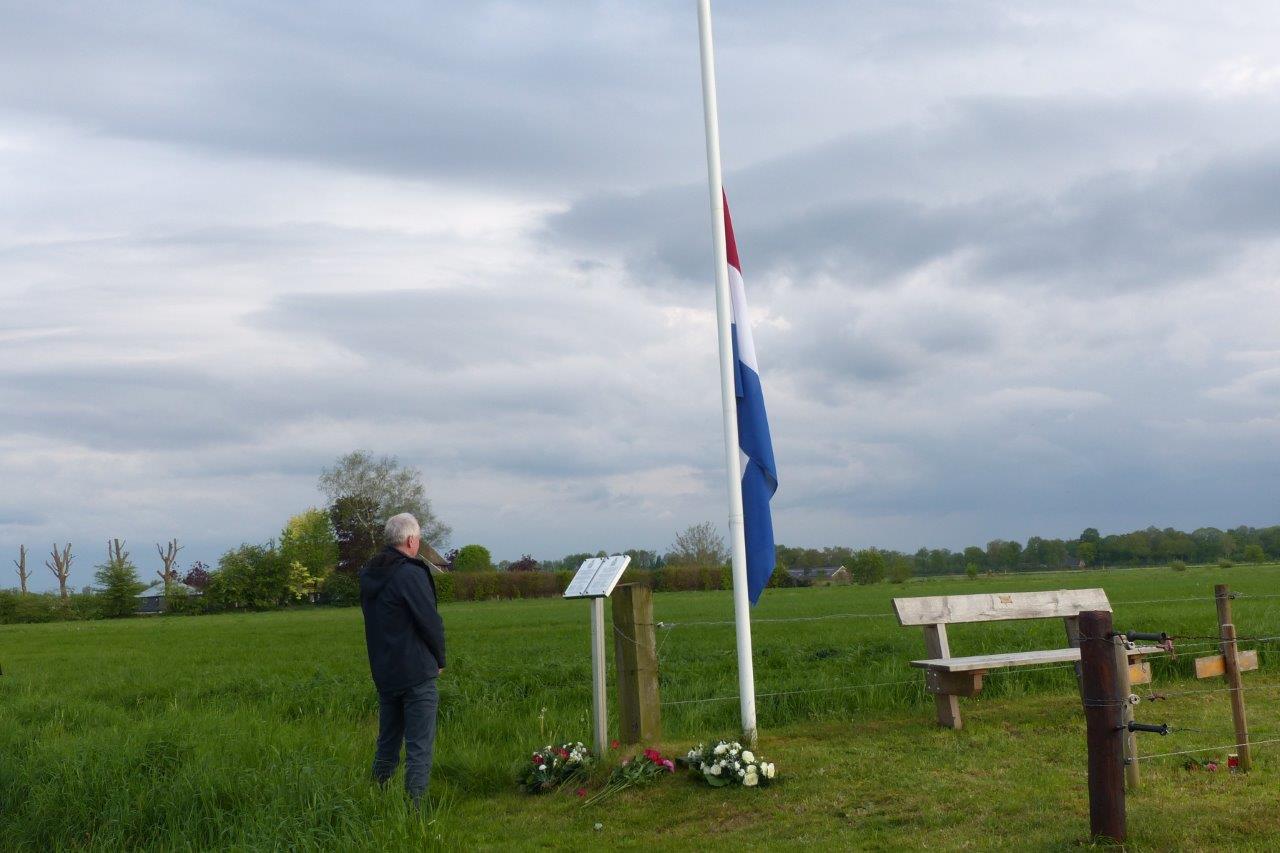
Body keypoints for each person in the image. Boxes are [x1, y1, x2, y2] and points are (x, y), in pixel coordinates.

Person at [359, 512, 446, 806]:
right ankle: (415, 813)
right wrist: (439, 657)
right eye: (418, 538)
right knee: (419, 747)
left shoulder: (370, 572)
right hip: (416, 671)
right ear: (411, 540)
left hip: (385, 669)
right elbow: (429, 621)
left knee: (387, 743)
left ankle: (377, 801)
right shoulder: (410, 573)